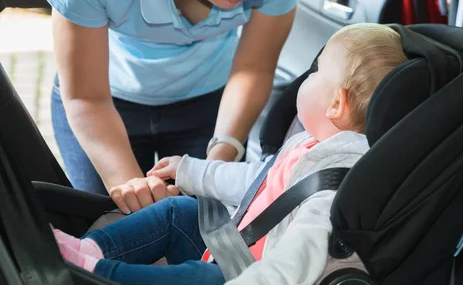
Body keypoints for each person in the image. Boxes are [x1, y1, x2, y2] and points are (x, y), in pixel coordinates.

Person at [52, 23, 409, 285]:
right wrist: (190, 171)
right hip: (237, 247)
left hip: (253, 275)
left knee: (200, 278)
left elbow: (302, 256)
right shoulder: (311, 144)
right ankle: (90, 250)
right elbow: (256, 180)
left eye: (317, 71)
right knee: (181, 210)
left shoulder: (338, 182)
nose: (307, 76)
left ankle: (92, 274)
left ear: (336, 103)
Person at [40, 0, 304, 213]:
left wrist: (221, 158)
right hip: (100, 101)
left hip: (212, 102)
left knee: (202, 224)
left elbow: (254, 68)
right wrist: (130, 186)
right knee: (108, 225)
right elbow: (86, 96)